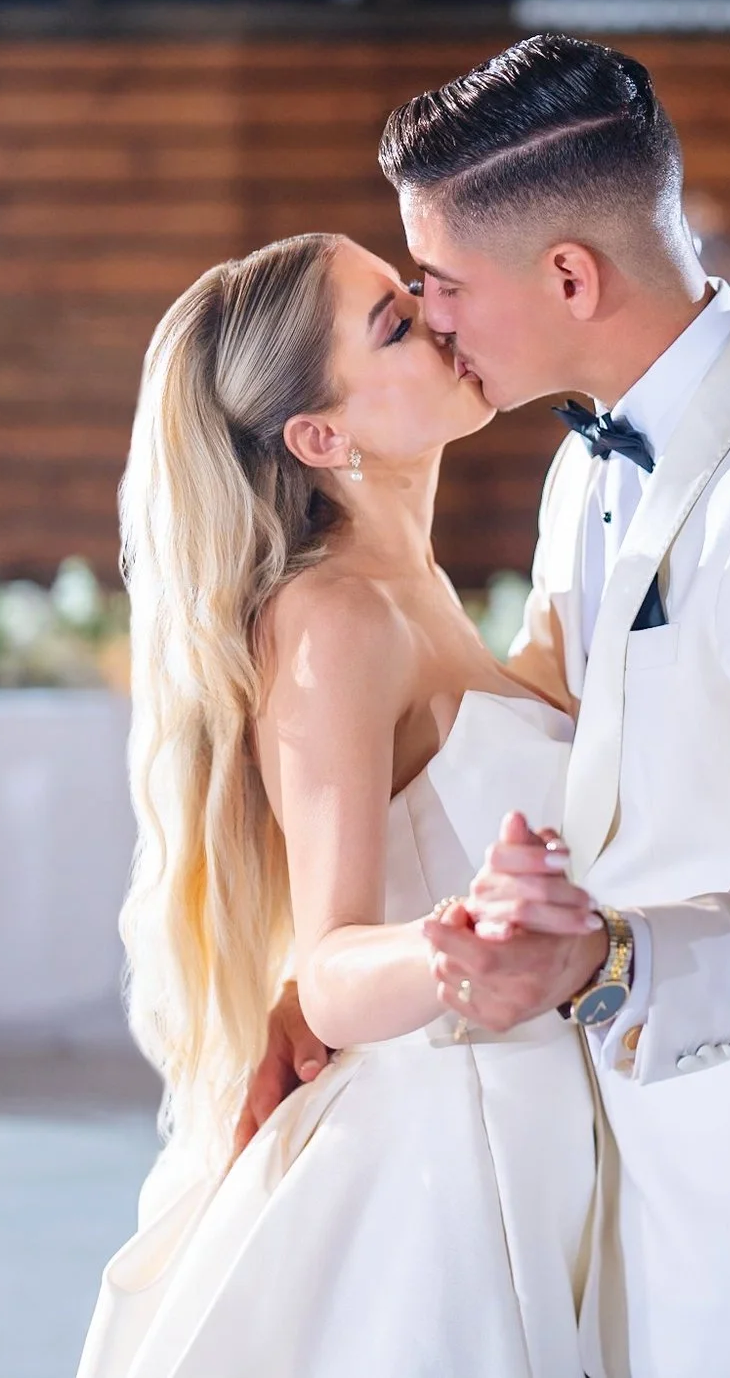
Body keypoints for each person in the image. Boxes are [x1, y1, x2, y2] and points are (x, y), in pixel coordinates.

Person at [242, 33, 730, 1376]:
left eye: (444, 284)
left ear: (571, 274)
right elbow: (543, 720)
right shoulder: (586, 456)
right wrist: (333, 977)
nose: (439, 315)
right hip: (598, 1141)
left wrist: (603, 962)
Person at [77, 232, 597, 1378]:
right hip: (444, 1158)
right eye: (397, 324)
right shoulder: (332, 619)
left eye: (418, 296)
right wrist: (458, 943)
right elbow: (328, 966)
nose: (441, 319)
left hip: (544, 1116)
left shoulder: (417, 586)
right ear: (322, 435)